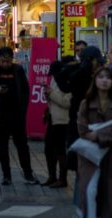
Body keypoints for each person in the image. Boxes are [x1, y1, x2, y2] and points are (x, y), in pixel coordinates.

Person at [75, 66, 112, 218]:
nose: (104, 81)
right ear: (95, 81)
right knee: (90, 190)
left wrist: (98, 135)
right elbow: (82, 129)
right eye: (101, 77)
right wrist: (95, 134)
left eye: (108, 78)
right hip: (90, 156)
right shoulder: (85, 104)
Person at [0, 46, 39, 185]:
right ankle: (6, 175)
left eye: (8, 61)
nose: (5, 64)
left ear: (12, 59)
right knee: (2, 146)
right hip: (0, 115)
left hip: (17, 115)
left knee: (22, 145)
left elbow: (26, 90)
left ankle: (28, 173)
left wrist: (23, 109)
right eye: (3, 61)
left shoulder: (18, 70)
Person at [45, 60, 72, 188]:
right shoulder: (54, 79)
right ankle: (52, 176)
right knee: (49, 148)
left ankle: (62, 179)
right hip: (52, 118)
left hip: (62, 120)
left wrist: (51, 93)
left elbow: (67, 102)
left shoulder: (67, 81)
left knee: (60, 149)